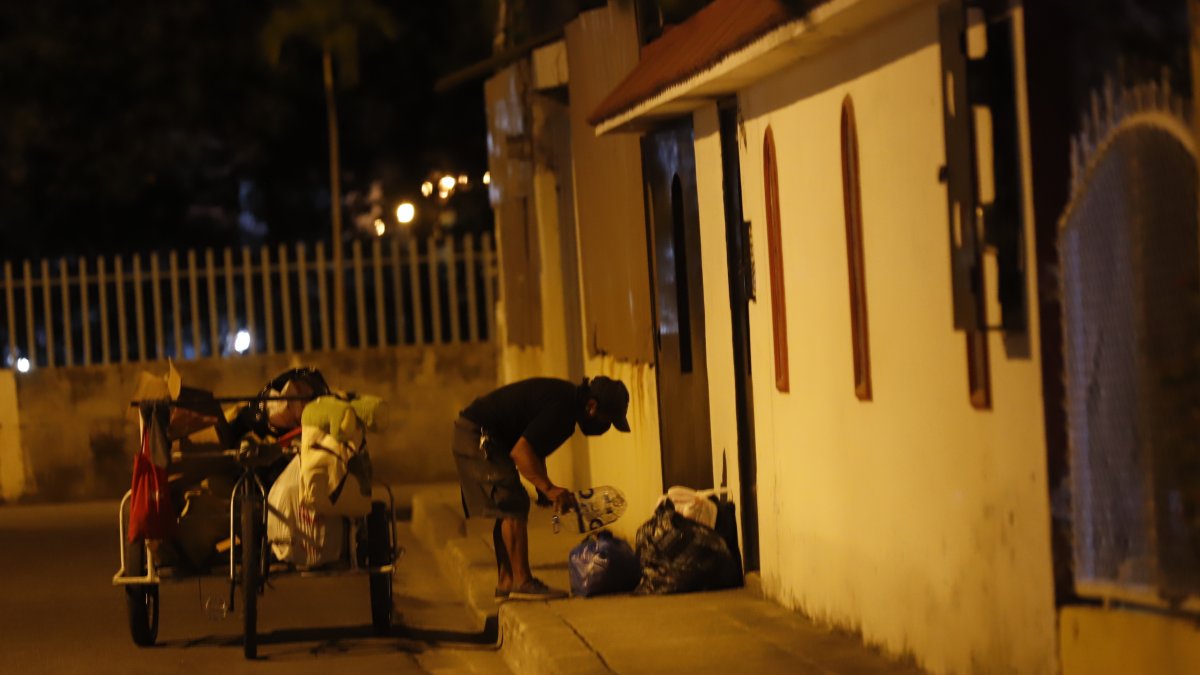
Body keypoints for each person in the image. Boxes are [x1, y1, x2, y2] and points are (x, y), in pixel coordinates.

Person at [451, 376, 631, 600]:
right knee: (512, 503)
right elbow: (521, 453)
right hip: (477, 435)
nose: (606, 428)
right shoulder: (562, 408)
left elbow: (535, 449)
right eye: (608, 420)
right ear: (592, 406)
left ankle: (506, 583)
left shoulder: (567, 409)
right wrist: (549, 488)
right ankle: (522, 582)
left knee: (509, 505)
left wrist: (542, 490)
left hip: (475, 433)